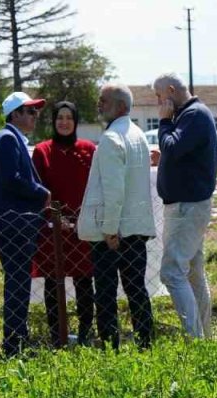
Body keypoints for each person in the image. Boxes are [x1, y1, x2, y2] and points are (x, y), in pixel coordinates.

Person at [77, 84, 156, 349]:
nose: (99, 105)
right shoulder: (137, 134)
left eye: (104, 101)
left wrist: (109, 230)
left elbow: (114, 191)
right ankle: (146, 343)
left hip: (114, 232)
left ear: (121, 106)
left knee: (107, 292)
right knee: (136, 290)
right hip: (136, 228)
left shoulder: (111, 139)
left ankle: (111, 347)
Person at [0, 91, 49, 357]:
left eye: (35, 111)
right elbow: (13, 179)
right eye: (30, 111)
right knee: (17, 282)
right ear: (15, 114)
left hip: (13, 224)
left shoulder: (10, 139)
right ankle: (14, 343)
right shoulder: (8, 139)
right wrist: (42, 193)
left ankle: (17, 337)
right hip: (14, 224)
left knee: (18, 282)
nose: (35, 116)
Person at [155, 72, 217, 339]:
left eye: (159, 96)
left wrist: (163, 122)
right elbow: (177, 151)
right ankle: (204, 334)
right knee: (192, 272)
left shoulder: (192, 115)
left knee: (172, 273)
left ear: (170, 91)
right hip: (189, 206)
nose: (159, 102)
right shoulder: (192, 115)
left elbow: (172, 147)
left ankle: (195, 339)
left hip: (187, 207)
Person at [31, 101, 96, 347]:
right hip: (53, 228)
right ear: (54, 121)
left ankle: (85, 332)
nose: (64, 122)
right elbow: (37, 190)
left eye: (69, 117)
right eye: (60, 117)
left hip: (82, 227)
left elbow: (95, 186)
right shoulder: (42, 151)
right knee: (53, 281)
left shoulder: (89, 149)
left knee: (84, 281)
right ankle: (57, 334)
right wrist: (56, 219)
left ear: (76, 121)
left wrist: (81, 218)